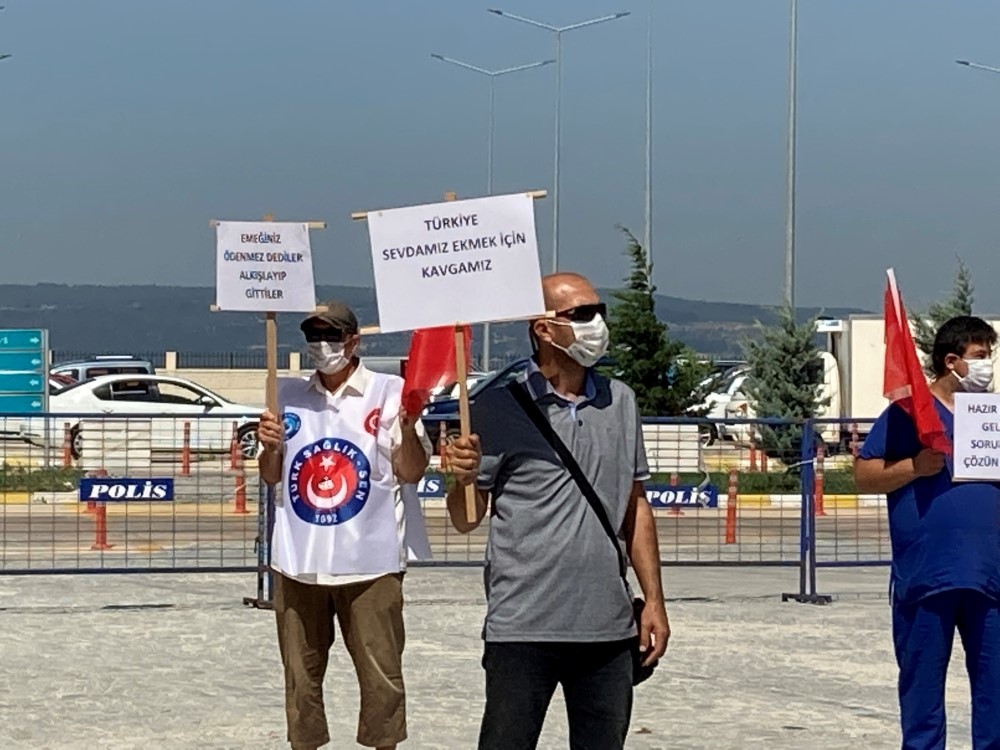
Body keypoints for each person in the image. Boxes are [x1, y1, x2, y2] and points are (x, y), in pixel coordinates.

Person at [444, 272, 670, 750]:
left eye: (599, 311)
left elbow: (635, 505)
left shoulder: (620, 400)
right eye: (582, 314)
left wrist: (654, 599)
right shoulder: (494, 408)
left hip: (607, 627)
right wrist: (462, 479)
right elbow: (466, 519)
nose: (597, 323)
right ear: (544, 329)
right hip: (523, 625)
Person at [257, 300, 432, 750]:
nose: (321, 344)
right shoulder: (286, 394)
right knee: (300, 678)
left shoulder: (389, 391)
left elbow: (411, 471)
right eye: (313, 335)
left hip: (370, 561)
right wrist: (270, 447)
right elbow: (272, 475)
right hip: (300, 561)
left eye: (331, 335)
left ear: (354, 341)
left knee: (382, 677)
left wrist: (407, 427)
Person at [855, 315, 1000, 750]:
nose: (988, 366)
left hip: (989, 578)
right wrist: (913, 467)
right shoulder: (907, 414)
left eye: (990, 356)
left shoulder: (991, 417)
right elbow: (864, 475)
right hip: (927, 576)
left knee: (995, 694)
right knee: (922, 695)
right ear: (952, 361)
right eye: (980, 356)